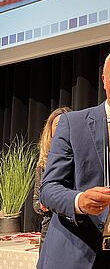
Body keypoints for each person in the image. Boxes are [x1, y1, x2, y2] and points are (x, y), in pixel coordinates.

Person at [38, 45, 110, 269]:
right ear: (104, 79)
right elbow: (48, 189)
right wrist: (80, 202)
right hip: (75, 255)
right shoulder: (72, 124)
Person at [33, 106, 71, 251]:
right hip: (50, 228)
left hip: (76, 229)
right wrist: (48, 203)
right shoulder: (43, 163)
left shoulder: (80, 159)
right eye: (57, 125)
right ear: (50, 130)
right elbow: (36, 204)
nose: (62, 128)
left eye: (65, 124)